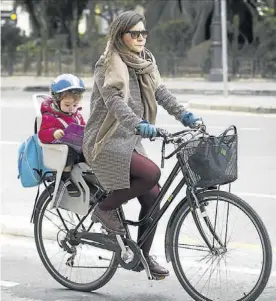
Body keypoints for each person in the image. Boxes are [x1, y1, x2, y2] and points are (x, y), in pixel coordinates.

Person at [82, 11, 200, 278]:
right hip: (105, 141)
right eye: (134, 34)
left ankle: (142, 258)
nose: (140, 38)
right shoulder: (107, 65)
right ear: (120, 35)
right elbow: (114, 102)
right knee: (151, 173)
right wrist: (138, 123)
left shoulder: (145, 61)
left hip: (130, 141)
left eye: (143, 33)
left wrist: (185, 115)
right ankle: (104, 209)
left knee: (154, 197)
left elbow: (161, 92)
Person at [38, 73, 86, 196]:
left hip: (77, 148)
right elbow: (42, 134)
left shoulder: (76, 115)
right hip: (61, 152)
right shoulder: (51, 116)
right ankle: (66, 180)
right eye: (67, 105)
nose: (71, 108)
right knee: (70, 151)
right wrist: (54, 133)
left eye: (75, 105)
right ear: (57, 101)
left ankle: (87, 178)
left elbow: (84, 127)